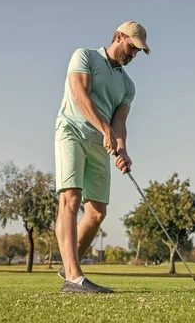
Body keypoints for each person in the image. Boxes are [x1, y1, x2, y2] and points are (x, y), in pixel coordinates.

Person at [54, 21, 151, 294]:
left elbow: (119, 121)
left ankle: (67, 263)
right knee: (70, 199)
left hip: (101, 142)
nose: (133, 55)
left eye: (138, 52)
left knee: (97, 212)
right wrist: (105, 128)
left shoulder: (127, 85)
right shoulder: (85, 56)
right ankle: (73, 278)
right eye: (132, 47)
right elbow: (80, 95)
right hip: (71, 132)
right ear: (119, 37)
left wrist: (122, 149)